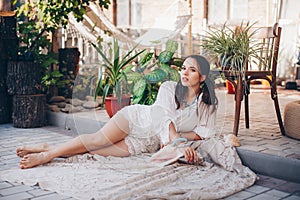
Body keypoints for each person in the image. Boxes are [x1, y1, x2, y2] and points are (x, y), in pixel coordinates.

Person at [16, 55, 218, 169]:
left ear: (202, 77)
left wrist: (177, 140)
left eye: (191, 70)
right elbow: (161, 116)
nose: (184, 73)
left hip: (146, 141)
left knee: (94, 151)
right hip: (136, 120)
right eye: (183, 68)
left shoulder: (207, 103)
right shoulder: (168, 87)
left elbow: (203, 132)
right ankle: (47, 156)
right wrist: (177, 141)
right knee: (96, 140)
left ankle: (47, 146)